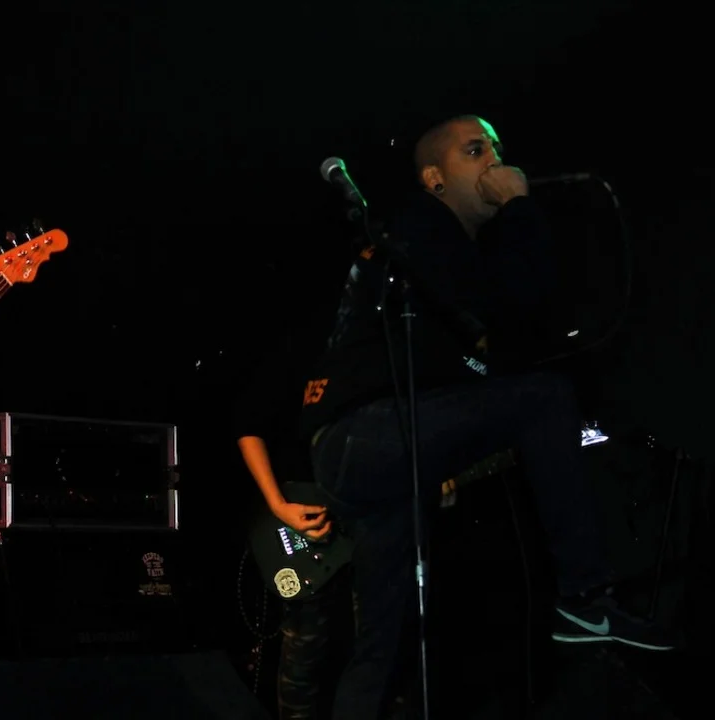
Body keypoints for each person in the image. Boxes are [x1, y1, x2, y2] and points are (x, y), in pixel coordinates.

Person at [300, 114, 673, 720]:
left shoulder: (431, 255)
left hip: (363, 451)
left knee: (382, 643)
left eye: (497, 150)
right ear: (434, 178)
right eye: (476, 151)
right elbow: (522, 298)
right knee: (545, 396)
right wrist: (520, 207)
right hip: (366, 433)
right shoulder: (424, 225)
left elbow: (463, 356)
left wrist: (445, 443)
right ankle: (584, 596)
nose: (495, 163)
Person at [233, 322, 350, 720]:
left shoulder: (389, 356)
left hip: (366, 521)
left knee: (376, 646)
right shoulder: (302, 346)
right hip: (301, 515)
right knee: (304, 655)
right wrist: (278, 505)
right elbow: (248, 427)